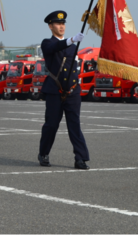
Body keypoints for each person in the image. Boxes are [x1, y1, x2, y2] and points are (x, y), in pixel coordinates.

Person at [38, 10, 90, 170]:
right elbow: (56, 47)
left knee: (74, 125)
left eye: (63, 24)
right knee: (51, 125)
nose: (61, 26)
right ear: (50, 26)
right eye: (58, 23)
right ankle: (44, 153)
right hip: (55, 91)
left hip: (72, 91)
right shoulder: (47, 43)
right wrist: (71, 40)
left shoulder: (73, 46)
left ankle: (80, 158)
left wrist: (73, 42)